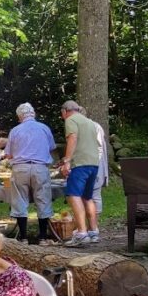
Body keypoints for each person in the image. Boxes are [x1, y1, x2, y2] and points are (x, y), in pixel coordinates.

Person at [4, 103, 57, 244]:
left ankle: (23, 237)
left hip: (20, 168)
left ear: (20, 116)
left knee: (20, 200)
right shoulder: (44, 128)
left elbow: (8, 154)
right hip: (40, 167)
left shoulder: (15, 130)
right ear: (33, 113)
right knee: (43, 199)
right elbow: (51, 147)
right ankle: (43, 237)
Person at [60, 99, 102, 247]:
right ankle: (93, 232)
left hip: (80, 163)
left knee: (74, 195)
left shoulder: (70, 120)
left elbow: (73, 137)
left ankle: (81, 234)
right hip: (93, 163)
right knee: (87, 197)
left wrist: (67, 161)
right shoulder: (90, 122)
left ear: (65, 111)